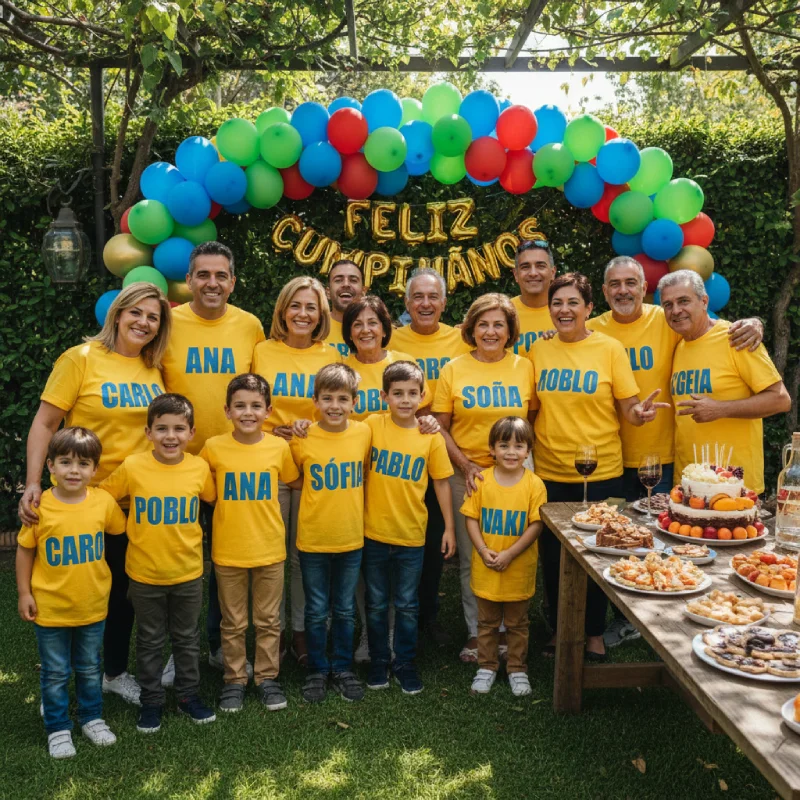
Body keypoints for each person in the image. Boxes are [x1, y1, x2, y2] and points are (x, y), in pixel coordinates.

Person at [19, 282, 170, 706]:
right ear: (117, 315)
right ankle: (97, 674)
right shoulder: (81, 359)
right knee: (96, 587)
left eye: (153, 317)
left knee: (137, 587)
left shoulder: (153, 368)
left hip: (140, 500)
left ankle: (122, 669)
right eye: (136, 313)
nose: (143, 322)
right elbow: (45, 423)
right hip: (88, 501)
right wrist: (33, 482)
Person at [529, 272, 669, 661]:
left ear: (590, 308)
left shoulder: (609, 349)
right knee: (555, 558)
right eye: (557, 303)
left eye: (573, 302)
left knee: (600, 553)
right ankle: (560, 630)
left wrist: (640, 415)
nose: (564, 310)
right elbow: (531, 410)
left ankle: (592, 634)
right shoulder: (538, 352)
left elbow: (629, 408)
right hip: (551, 472)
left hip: (601, 470)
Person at [161, 241, 265, 677]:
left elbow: (259, 392)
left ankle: (221, 646)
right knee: (178, 566)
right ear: (188, 280)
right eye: (203, 274)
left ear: (233, 282)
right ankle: (175, 652)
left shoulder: (250, 326)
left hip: (234, 467)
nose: (212, 283)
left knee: (227, 563)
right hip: (177, 467)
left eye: (221, 275)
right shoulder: (168, 323)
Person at [589, 256, 764, 501]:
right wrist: (551, 333)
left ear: (643, 288)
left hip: (666, 459)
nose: (623, 290)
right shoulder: (591, 331)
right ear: (605, 292)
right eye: (615, 284)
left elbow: (706, 328)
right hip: (611, 458)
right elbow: (566, 343)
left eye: (630, 282)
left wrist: (755, 323)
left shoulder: (668, 320)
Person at [101, 394, 217, 733]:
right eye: (162, 428)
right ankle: (151, 701)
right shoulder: (134, 466)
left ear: (192, 433)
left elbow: (209, 497)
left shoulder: (197, 467)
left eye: (179, 429)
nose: (171, 436)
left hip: (188, 572)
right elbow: (104, 497)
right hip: (144, 574)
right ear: (148, 432)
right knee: (150, 640)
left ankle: (188, 696)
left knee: (186, 637)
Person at [432, 293, 535, 664]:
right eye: (483, 324)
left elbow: (532, 420)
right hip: (469, 475)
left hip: (517, 475)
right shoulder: (453, 369)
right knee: (474, 556)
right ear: (471, 329)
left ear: (510, 331)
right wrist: (465, 466)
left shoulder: (525, 367)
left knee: (515, 551)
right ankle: (479, 633)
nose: (490, 332)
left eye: (498, 325)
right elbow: (439, 429)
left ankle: (511, 629)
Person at [16, 427, 127, 758]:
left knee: (91, 666)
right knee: (55, 672)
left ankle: (91, 717)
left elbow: (119, 536)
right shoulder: (39, 507)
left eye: (83, 463)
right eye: (65, 462)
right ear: (50, 466)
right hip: (51, 609)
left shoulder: (104, 503)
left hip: (93, 605)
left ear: (95, 469)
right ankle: (58, 727)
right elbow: (24, 551)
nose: (74, 471)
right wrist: (24, 592)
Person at [199, 374, 302, 713]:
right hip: (228, 550)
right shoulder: (213, 447)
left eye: (256, 406)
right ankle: (234, 679)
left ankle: (267, 676)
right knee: (233, 621)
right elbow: (205, 490)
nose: (248, 412)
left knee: (269, 619)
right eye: (240, 406)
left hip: (270, 549)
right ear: (227, 410)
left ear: (268, 410)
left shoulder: (278, 446)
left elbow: (293, 480)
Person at [252, 275, 341, 666]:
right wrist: (274, 429)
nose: (303, 314)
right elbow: (249, 404)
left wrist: (310, 427)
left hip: (312, 469)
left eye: (311, 307)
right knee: (270, 555)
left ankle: (303, 632)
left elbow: (337, 410)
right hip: (268, 466)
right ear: (282, 310)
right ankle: (270, 633)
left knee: (304, 556)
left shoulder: (331, 355)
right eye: (296, 305)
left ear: (321, 314)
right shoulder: (261, 351)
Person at [362, 361, 455, 695]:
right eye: (397, 393)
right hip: (373, 533)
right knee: (375, 602)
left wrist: (448, 529)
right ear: (383, 395)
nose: (404, 400)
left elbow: (442, 483)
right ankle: (378, 660)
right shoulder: (372, 425)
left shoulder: (429, 436)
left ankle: (404, 662)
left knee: (407, 603)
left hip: (412, 536)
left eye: (412, 393)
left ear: (422, 395)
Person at [391, 268, 470, 645]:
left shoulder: (460, 340)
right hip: (397, 455)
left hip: (441, 455)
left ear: (444, 302)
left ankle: (428, 616)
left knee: (434, 538)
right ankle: (392, 621)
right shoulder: (391, 337)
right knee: (395, 539)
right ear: (406, 303)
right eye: (417, 297)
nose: (425, 303)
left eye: (432, 297)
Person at [659, 269, 790, 494]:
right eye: (668, 305)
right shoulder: (678, 347)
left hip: (736, 485)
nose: (676, 310)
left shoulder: (736, 338)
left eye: (683, 301)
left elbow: (780, 400)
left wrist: (720, 409)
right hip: (690, 483)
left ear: (704, 301)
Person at [288, 364, 372, 703]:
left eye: (342, 399)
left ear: (354, 401)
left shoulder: (364, 433)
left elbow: (366, 472)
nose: (334, 406)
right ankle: (318, 669)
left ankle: (342, 666)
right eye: (327, 399)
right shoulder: (302, 437)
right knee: (316, 607)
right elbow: (294, 478)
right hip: (313, 539)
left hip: (351, 537)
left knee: (345, 607)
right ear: (315, 401)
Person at [461, 417, 546, 697]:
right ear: (492, 449)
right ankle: (486, 666)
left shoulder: (535, 485)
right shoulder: (481, 480)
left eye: (518, 446)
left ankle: (517, 668)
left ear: (528, 450)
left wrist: (510, 553)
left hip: (518, 568)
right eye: (504, 445)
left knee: (517, 624)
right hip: (486, 567)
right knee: (486, 624)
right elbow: (471, 519)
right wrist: (484, 550)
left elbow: (536, 525)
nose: (511, 452)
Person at [344, 294, 431, 421]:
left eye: (372, 323)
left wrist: (428, 422)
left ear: (384, 330)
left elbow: (423, 411)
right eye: (357, 325)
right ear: (350, 333)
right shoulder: (342, 370)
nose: (365, 330)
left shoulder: (405, 363)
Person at [510, 239, 557, 356]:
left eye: (540, 266)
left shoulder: (568, 313)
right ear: (516, 275)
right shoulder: (502, 312)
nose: (533, 273)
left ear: (552, 272)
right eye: (525, 267)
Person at [325, 259, 364, 357]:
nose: (346, 284)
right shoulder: (315, 328)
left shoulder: (378, 332)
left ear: (363, 292)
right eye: (338, 280)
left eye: (353, 280)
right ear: (328, 292)